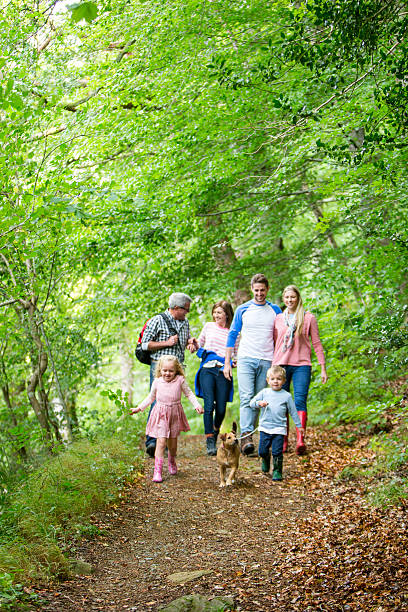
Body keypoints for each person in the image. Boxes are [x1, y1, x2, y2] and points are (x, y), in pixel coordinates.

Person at [224, 273, 282, 456]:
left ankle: (249, 435)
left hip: (267, 359)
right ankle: (246, 436)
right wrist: (227, 362)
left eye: (262, 290)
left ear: (267, 289)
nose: (259, 294)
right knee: (247, 397)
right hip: (246, 358)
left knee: (258, 400)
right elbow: (232, 335)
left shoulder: (275, 310)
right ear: (251, 289)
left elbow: (282, 335)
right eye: (256, 290)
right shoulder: (243, 309)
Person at [140, 292, 198, 457]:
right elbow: (145, 345)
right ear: (176, 308)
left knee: (173, 403)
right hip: (160, 369)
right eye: (185, 310)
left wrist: (190, 343)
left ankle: (166, 438)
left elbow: (184, 342)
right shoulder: (157, 320)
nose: (187, 313)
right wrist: (166, 342)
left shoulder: (185, 322)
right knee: (157, 401)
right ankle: (152, 441)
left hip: (177, 369)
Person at [273, 285, 327, 455]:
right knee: (281, 403)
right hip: (281, 365)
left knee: (300, 401)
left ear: (298, 298)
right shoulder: (278, 319)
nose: (290, 300)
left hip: (302, 365)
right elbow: (274, 343)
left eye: (293, 297)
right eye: (287, 297)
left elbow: (316, 344)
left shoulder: (308, 318)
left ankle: (300, 440)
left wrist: (323, 367)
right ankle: (283, 440)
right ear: (284, 299)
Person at [131, 355, 203, 482]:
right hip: (161, 415)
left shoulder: (180, 380)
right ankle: (157, 471)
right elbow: (150, 398)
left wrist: (197, 405)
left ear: (176, 370)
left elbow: (189, 394)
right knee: (161, 442)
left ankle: (171, 459)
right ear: (160, 369)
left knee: (172, 445)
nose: (167, 373)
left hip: (174, 414)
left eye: (171, 371)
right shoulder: (157, 382)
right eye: (165, 370)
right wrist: (139, 408)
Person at [194, 300, 239, 456]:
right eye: (214, 312)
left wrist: (234, 362)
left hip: (223, 371)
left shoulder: (234, 332)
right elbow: (199, 345)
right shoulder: (208, 326)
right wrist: (193, 344)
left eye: (219, 312)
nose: (215, 315)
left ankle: (215, 429)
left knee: (220, 408)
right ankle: (210, 440)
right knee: (209, 405)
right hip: (207, 369)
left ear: (227, 314)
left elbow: (237, 354)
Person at [250, 366, 303, 480]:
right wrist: (259, 403)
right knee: (263, 451)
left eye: (279, 379)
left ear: (284, 381)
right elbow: (251, 403)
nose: (275, 381)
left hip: (279, 428)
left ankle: (277, 471)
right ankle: (265, 459)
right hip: (265, 428)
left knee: (277, 451)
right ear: (268, 380)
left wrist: (299, 426)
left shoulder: (286, 396)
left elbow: (293, 412)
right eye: (273, 379)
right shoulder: (264, 392)